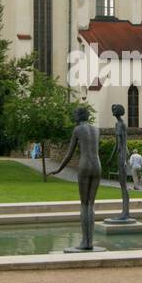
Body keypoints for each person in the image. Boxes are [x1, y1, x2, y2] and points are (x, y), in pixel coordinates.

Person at [49, 107, 101, 251]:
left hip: (84, 166)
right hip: (97, 166)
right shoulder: (96, 130)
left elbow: (69, 154)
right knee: (91, 204)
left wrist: (58, 169)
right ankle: (90, 242)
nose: (73, 116)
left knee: (84, 204)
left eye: (74, 114)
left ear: (79, 116)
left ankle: (85, 242)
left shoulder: (77, 130)